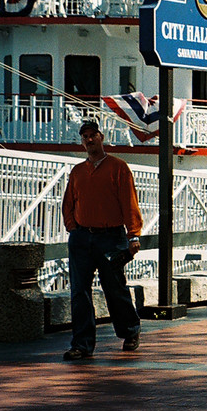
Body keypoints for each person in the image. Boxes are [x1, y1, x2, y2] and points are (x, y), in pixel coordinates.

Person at [61, 120, 143, 361]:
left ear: (101, 137)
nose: (89, 139)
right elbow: (68, 203)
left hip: (111, 238)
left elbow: (129, 202)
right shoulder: (77, 171)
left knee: (115, 288)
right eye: (85, 136)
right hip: (81, 238)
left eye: (92, 135)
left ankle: (130, 331)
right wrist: (73, 228)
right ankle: (82, 345)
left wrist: (133, 235)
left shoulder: (118, 167)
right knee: (79, 292)